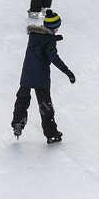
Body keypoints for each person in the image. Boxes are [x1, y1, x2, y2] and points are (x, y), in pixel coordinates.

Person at [11, 10, 74, 144]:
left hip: (27, 74)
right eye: (57, 28)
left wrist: (53, 39)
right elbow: (53, 57)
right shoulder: (49, 42)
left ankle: (18, 122)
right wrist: (67, 72)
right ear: (53, 28)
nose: (57, 30)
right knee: (45, 106)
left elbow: (42, 43)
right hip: (41, 78)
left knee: (22, 100)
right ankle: (51, 134)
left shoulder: (34, 36)